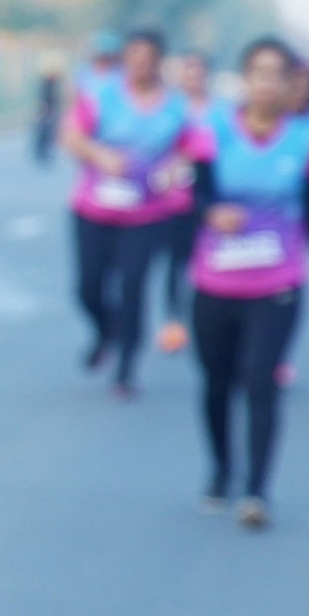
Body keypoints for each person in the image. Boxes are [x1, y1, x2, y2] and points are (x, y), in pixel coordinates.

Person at [183, 37, 309, 528]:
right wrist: (212, 212)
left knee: (262, 380)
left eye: (277, 74)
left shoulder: (308, 140)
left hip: (278, 281)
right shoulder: (213, 131)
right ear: (245, 79)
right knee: (217, 381)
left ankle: (257, 491)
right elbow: (194, 193)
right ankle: (221, 469)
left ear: (292, 82)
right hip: (216, 279)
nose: (267, 83)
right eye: (258, 72)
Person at [61, 27, 190, 398]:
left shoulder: (176, 105)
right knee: (88, 288)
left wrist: (175, 169)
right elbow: (71, 136)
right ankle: (106, 331)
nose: (140, 65)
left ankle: (126, 369)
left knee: (133, 286)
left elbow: (190, 149)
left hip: (146, 214)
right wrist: (99, 154)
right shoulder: (101, 95)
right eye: (133, 57)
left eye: (148, 58)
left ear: (159, 62)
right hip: (94, 208)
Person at [153, 49, 213, 357]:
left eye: (198, 72)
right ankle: (174, 322)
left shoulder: (221, 112)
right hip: (174, 200)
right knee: (176, 262)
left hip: (208, 201)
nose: (193, 78)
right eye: (187, 72)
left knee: (208, 260)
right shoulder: (167, 109)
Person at [31, 56, 64, 166]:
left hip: (52, 110)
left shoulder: (54, 83)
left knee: (51, 131)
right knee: (44, 131)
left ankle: (46, 151)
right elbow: (43, 97)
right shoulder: (46, 82)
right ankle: (41, 151)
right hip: (46, 110)